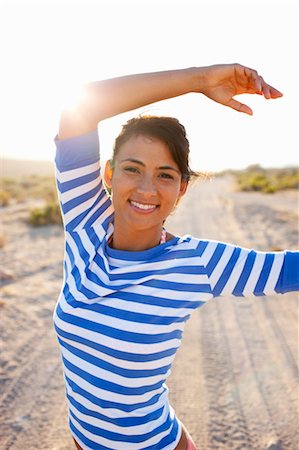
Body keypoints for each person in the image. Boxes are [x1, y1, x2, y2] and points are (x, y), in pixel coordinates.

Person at [53, 64, 298, 450]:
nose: (147, 189)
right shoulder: (85, 222)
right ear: (109, 174)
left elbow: (289, 271)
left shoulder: (197, 263)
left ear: (182, 188)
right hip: (84, 441)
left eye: (165, 175)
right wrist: (199, 82)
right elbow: (78, 109)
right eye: (133, 169)